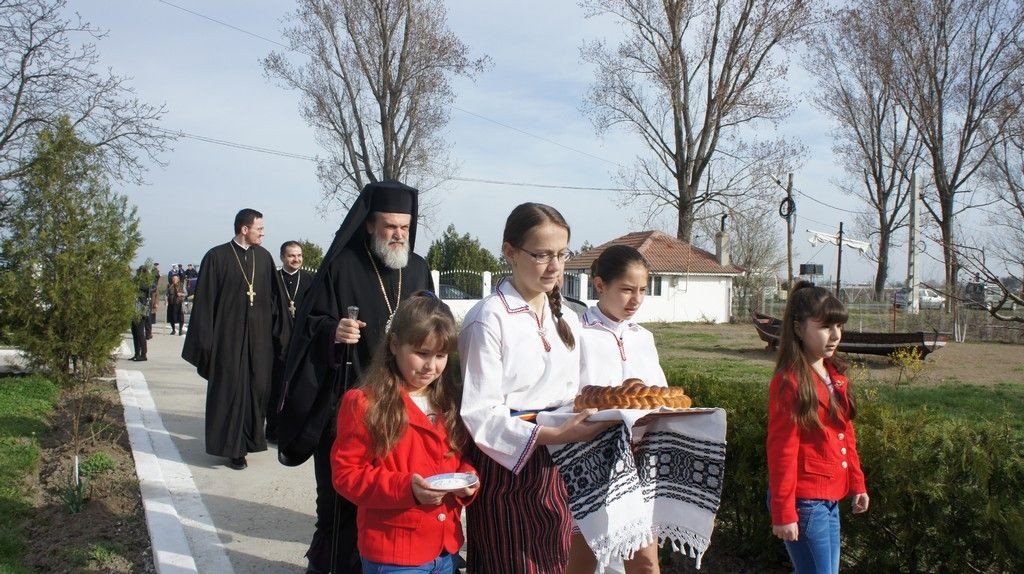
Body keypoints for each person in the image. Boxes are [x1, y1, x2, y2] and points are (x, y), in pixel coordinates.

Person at [277, 181, 430, 574]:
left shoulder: (417, 269)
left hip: (404, 410)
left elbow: (434, 329)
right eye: (390, 226)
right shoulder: (342, 266)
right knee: (339, 506)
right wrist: (334, 331)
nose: (398, 234)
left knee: (394, 501)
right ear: (369, 225)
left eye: (405, 227)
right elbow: (308, 325)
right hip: (348, 406)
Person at [458, 202, 615, 573]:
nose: (555, 266)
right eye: (542, 254)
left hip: (565, 460)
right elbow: (481, 415)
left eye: (562, 254)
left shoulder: (568, 318)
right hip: (509, 466)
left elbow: (581, 391)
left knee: (558, 562)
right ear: (510, 251)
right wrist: (554, 433)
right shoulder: (489, 319)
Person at [332, 292, 479, 574]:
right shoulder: (364, 403)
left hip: (446, 548)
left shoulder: (450, 400)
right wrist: (406, 489)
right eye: (422, 353)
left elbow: (459, 456)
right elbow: (346, 475)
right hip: (394, 553)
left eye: (441, 356)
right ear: (394, 345)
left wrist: (467, 478)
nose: (431, 366)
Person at [568, 245, 665, 574]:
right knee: (582, 562)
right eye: (626, 289)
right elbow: (566, 398)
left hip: (639, 463)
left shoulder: (643, 337)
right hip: (589, 462)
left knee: (645, 564)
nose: (636, 299)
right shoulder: (577, 333)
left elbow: (659, 395)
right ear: (600, 284)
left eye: (642, 290)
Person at [767, 281, 869, 573]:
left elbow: (846, 434)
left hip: (829, 498)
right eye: (825, 326)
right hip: (805, 502)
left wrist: (857, 483)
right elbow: (782, 452)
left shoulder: (833, 374)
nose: (835, 335)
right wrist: (784, 511)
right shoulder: (790, 382)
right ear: (799, 329)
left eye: (839, 326)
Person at [182, 209, 276, 470]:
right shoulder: (216, 257)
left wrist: (279, 336)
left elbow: (275, 301)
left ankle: (249, 440)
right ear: (245, 229)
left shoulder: (264, 258)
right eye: (259, 228)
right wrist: (206, 343)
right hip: (227, 341)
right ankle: (233, 449)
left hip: (258, 342)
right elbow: (205, 303)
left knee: (255, 390)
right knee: (231, 392)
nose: (263, 233)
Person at [266, 240, 315, 442]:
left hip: (302, 342)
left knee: (298, 388)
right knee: (276, 387)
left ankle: (294, 430)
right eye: (291, 255)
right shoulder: (273, 280)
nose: (296, 259)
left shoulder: (310, 280)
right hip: (277, 342)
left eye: (299, 255)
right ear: (282, 257)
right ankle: (273, 429)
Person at [130, 265, 151, 362]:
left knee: (140, 333)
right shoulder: (136, 280)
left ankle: (143, 354)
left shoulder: (146, 282)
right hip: (134, 308)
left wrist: (136, 282)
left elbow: (147, 288)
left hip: (141, 309)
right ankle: (136, 353)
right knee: (134, 332)